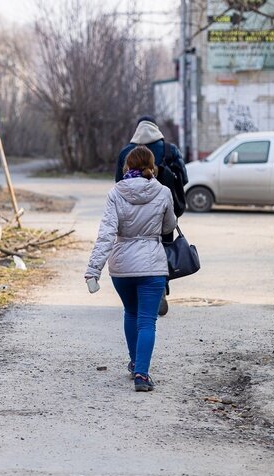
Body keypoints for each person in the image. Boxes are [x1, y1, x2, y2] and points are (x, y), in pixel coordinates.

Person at [86, 146, 177, 392]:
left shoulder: (116, 192)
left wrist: (93, 270)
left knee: (131, 313)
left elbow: (106, 234)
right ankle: (142, 374)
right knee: (147, 321)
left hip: (122, 265)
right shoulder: (163, 191)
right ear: (152, 165)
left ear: (127, 166)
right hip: (152, 264)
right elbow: (169, 225)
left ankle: (135, 361)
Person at [115, 116, 186, 316]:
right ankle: (161, 289)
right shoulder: (170, 150)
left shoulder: (125, 152)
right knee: (162, 250)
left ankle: (138, 293)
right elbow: (185, 178)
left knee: (135, 249)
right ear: (156, 128)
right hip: (164, 210)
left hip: (133, 217)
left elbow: (118, 184)